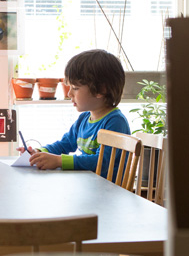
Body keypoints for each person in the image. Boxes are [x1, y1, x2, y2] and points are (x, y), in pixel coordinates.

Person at [19, 49, 130, 180]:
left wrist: (59, 161)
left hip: (109, 190)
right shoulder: (84, 119)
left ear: (100, 90)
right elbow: (65, 144)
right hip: (90, 185)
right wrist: (39, 153)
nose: (69, 93)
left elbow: (101, 162)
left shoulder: (115, 122)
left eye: (75, 88)